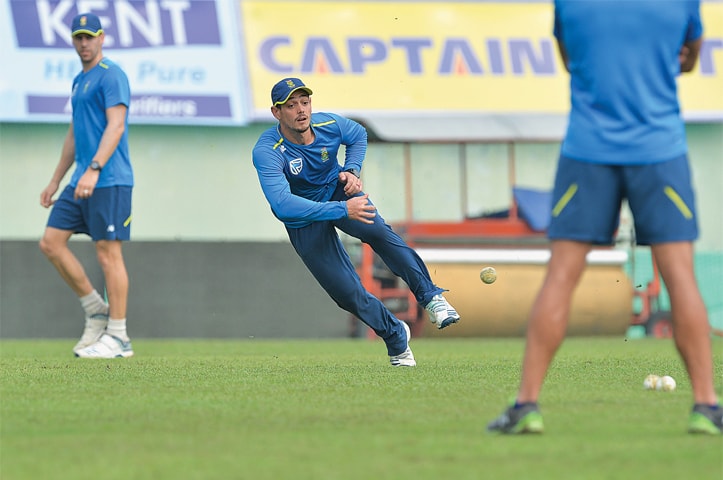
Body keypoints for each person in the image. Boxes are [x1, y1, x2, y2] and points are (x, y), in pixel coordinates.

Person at [487, 0, 721, 435]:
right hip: (659, 153)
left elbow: (570, 61)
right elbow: (689, 60)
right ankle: (706, 407)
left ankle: (526, 405)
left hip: (588, 151)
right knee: (680, 277)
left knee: (560, 276)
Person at [252, 77, 461, 366]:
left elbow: (358, 134)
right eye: (290, 105)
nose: (301, 110)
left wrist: (352, 169)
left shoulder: (329, 125)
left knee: (380, 234)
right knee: (346, 294)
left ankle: (431, 297)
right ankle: (396, 336)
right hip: (304, 217)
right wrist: (341, 210)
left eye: (304, 102)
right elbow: (283, 205)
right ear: (277, 113)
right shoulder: (267, 151)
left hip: (338, 189)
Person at [39, 13, 134, 359]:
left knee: (108, 254)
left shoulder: (112, 76)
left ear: (101, 38)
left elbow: (117, 125)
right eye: (78, 37)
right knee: (51, 243)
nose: (84, 43)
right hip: (81, 179)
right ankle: (96, 309)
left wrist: (94, 168)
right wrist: (55, 180)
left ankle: (119, 337)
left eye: (89, 37)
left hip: (109, 179)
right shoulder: (80, 81)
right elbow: (75, 134)